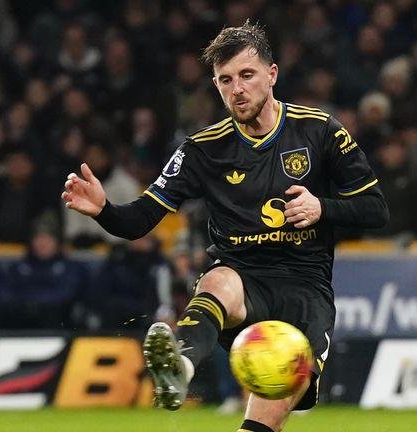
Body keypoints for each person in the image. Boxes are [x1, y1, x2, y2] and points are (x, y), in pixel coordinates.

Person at [62, 22, 389, 432]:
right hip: (242, 277)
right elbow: (139, 220)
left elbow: (376, 210)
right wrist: (104, 210)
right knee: (217, 279)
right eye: (225, 80)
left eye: (247, 75)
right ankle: (180, 366)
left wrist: (322, 207)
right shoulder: (202, 149)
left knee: (265, 420)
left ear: (272, 74)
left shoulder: (320, 130)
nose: (237, 89)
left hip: (305, 287)